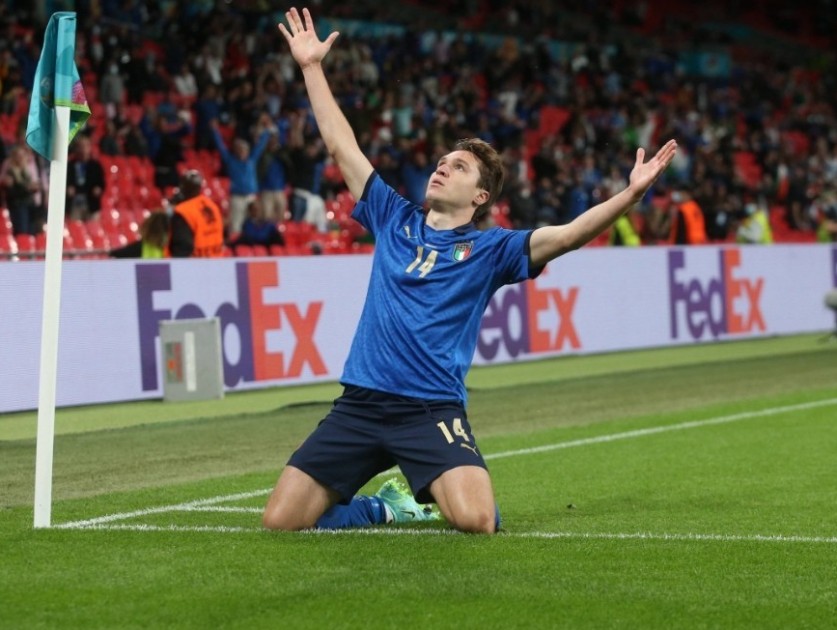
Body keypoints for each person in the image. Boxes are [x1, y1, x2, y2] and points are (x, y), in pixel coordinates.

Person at [262, 8, 677, 535]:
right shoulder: (393, 217)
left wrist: (632, 193)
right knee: (280, 523)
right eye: (442, 161)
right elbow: (342, 146)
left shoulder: (491, 249)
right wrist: (311, 68)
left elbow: (568, 234)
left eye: (458, 167)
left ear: (480, 196)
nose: (442, 167)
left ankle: (438, 486)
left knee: (478, 522)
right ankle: (384, 507)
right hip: (360, 404)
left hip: (431, 408)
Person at [168, 169, 225, 258]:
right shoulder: (212, 206)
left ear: (182, 187)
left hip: (195, 266)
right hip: (216, 263)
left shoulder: (183, 211)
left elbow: (182, 247)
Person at [66, 135, 106, 221]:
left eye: (85, 146)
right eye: (81, 146)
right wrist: (68, 189)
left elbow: (102, 183)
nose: (83, 149)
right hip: (75, 204)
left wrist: (98, 189)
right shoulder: (70, 165)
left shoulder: (95, 165)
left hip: (91, 204)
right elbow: (66, 182)